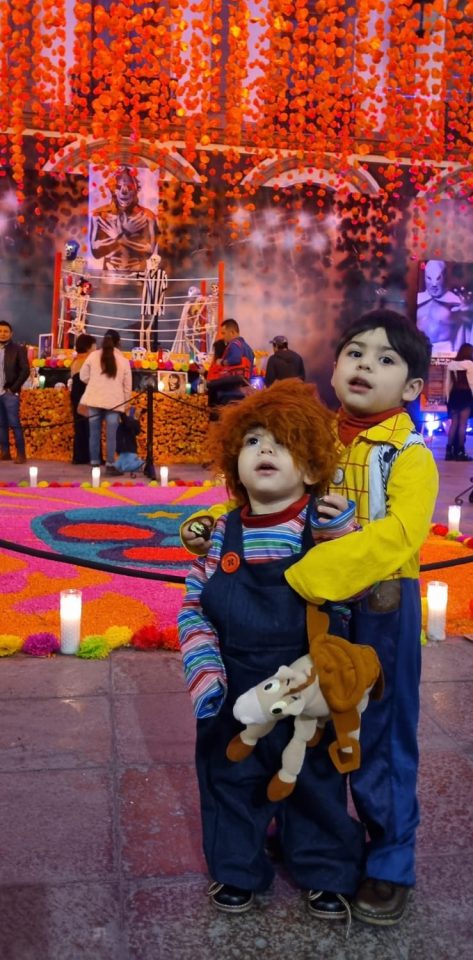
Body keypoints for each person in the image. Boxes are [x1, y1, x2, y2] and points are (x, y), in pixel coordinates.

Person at [182, 309, 439, 927]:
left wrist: (313, 572)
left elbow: (402, 535)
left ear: (411, 387)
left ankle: (389, 863)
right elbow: (264, 491)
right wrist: (217, 529)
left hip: (377, 608)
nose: (365, 366)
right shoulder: (318, 430)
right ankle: (304, 834)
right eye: (355, 353)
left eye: (385, 360)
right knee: (312, 729)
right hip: (307, 613)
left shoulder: (407, 455)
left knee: (378, 737)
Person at [178, 379, 369, 922]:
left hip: (307, 684)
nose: (265, 449)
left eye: (282, 442)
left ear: (310, 469)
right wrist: (204, 669)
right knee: (229, 779)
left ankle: (325, 868)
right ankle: (236, 868)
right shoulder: (221, 534)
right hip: (234, 682)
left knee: (316, 780)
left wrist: (345, 538)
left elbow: (355, 593)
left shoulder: (323, 528)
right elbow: (193, 605)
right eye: (253, 440)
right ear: (233, 464)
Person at [79, 329, 132, 472]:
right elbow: (127, 387)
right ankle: (110, 464)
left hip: (94, 399)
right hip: (114, 402)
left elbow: (83, 376)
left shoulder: (93, 356)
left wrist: (94, 382)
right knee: (111, 435)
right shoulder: (124, 361)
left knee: (94, 433)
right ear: (118, 343)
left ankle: (94, 463)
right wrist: (126, 403)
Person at [89, 166, 159, 274]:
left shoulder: (147, 216)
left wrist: (119, 237)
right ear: (113, 190)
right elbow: (95, 252)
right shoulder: (99, 215)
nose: (124, 191)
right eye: (118, 186)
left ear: (136, 189)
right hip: (109, 274)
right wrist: (125, 233)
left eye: (129, 187)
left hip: (138, 274)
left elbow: (149, 251)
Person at [416, 259, 472, 353]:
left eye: (438, 278)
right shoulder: (419, 299)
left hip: (446, 350)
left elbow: (465, 328)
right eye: (429, 278)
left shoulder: (455, 301)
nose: (434, 284)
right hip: (420, 349)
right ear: (424, 277)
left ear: (444, 276)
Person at [205, 319, 255, 408]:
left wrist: (222, 362)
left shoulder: (234, 344)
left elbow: (235, 359)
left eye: (224, 333)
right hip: (245, 386)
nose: (223, 337)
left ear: (232, 332)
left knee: (210, 385)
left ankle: (212, 412)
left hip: (233, 385)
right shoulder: (248, 348)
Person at [0, 320, 30, 463]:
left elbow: (25, 370)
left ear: (11, 334)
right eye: (0, 331)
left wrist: (13, 389)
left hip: (9, 393)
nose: (2, 334)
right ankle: (5, 452)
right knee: (1, 424)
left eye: (6, 331)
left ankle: (21, 454)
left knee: (14, 423)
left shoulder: (18, 349)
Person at [70, 333, 96, 464]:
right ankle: (91, 456)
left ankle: (79, 456)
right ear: (88, 347)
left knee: (80, 425)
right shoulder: (90, 360)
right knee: (90, 425)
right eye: (94, 345)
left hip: (76, 394)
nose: (96, 348)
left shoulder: (76, 360)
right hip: (87, 393)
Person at [444, 342, 473, 461]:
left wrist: (447, 398)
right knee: (463, 424)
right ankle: (460, 451)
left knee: (454, 424)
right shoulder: (470, 364)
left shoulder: (451, 365)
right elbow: (472, 382)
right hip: (466, 395)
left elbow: (448, 383)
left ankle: (449, 451)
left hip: (454, 395)